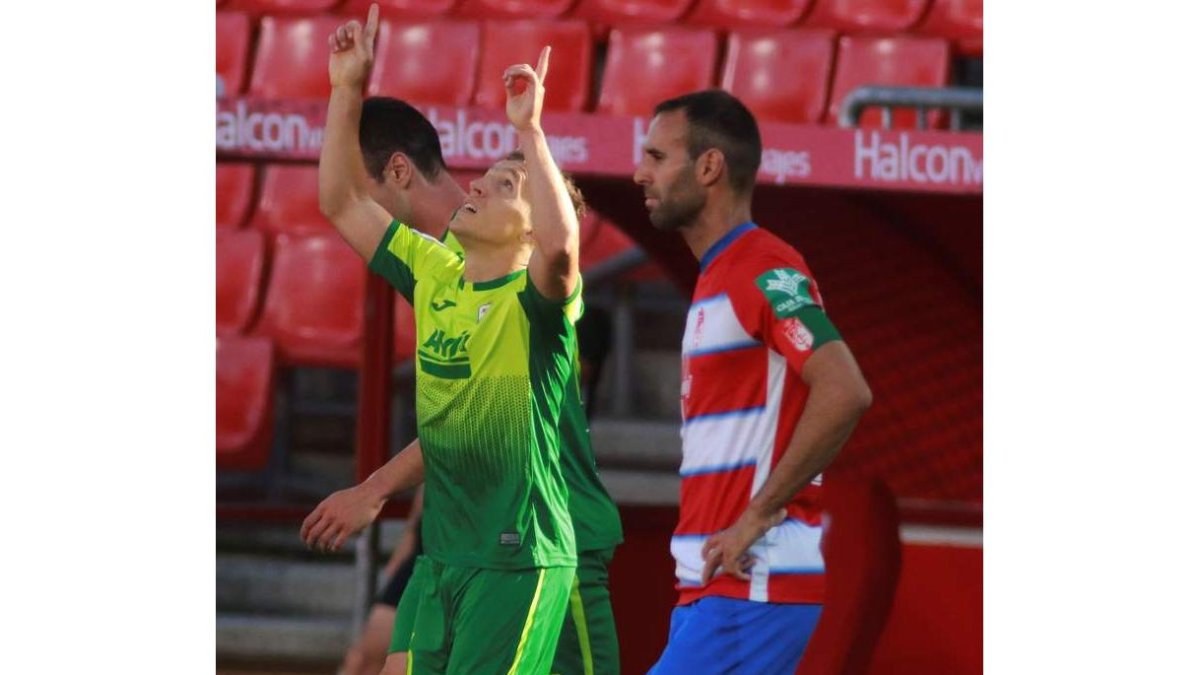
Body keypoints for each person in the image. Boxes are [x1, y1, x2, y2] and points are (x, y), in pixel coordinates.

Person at [300, 5, 600, 673]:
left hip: (517, 559)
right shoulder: (433, 269)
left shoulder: (538, 302)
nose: (477, 184)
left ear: (527, 234)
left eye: (503, 186)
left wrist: (532, 133)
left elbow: (560, 248)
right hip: (443, 554)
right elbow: (341, 204)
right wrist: (346, 87)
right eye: (485, 176)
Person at [632, 89, 874, 674]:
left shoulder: (762, 266)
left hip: (751, 585)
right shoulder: (719, 275)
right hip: (711, 586)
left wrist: (758, 514)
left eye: (657, 157)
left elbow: (845, 389)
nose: (640, 174)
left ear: (709, 166)